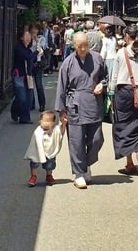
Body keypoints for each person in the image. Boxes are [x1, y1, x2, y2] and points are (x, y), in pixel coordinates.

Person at [55, 32, 107, 189]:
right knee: (76, 141)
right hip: (75, 105)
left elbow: (105, 77)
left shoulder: (97, 58)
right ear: (74, 46)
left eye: (86, 45)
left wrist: (102, 84)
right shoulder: (68, 63)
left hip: (93, 103)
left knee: (97, 139)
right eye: (80, 46)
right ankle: (79, 173)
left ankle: (86, 163)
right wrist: (62, 111)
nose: (84, 48)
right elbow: (61, 88)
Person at [109, 25, 138, 176]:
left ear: (127, 37)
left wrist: (111, 92)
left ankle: (129, 162)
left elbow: (114, 76)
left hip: (123, 91)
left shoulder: (121, 53)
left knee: (123, 125)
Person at [24, 110, 66, 187]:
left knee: (49, 165)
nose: (46, 123)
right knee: (34, 163)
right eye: (44, 121)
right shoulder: (38, 131)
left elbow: (61, 133)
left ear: (53, 123)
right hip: (38, 152)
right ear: (40, 121)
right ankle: (33, 176)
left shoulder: (55, 130)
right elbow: (34, 142)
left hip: (49, 152)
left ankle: (49, 175)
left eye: (49, 121)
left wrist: (63, 124)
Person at [11, 30, 37, 124]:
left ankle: (25, 118)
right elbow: (28, 57)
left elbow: (32, 60)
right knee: (21, 97)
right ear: (21, 38)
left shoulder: (28, 48)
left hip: (28, 76)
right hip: (19, 75)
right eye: (26, 35)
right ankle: (14, 109)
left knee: (29, 98)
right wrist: (36, 51)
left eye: (29, 35)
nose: (28, 37)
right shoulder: (18, 48)